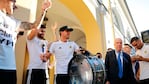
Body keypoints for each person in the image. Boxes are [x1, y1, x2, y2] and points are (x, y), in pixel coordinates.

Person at [0, 0, 51, 84]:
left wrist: (43, 10)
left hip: (11, 70)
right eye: (14, 2)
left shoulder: (14, 22)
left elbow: (34, 26)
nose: (15, 6)